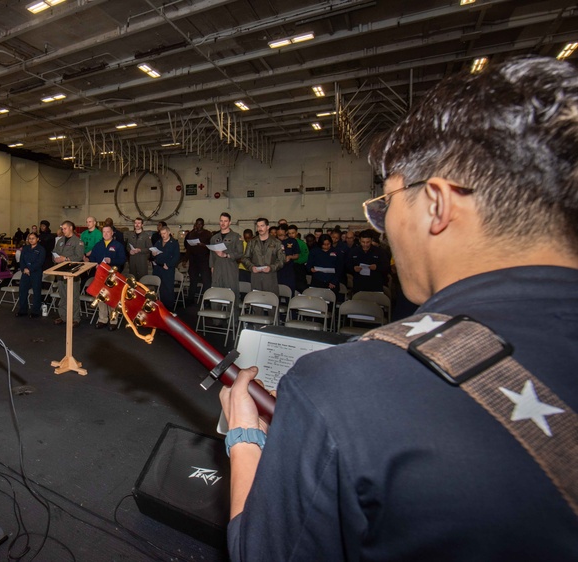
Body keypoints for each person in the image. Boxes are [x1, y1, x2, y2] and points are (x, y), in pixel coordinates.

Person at [221, 56, 578, 561]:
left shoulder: (347, 385)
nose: (382, 228)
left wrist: (244, 438)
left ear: (438, 203)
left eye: (387, 204)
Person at [89, 225, 126, 329]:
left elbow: (123, 260)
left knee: (112, 298)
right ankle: (102, 319)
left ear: (112, 233)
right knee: (101, 297)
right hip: (100, 275)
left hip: (113, 276)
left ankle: (113, 321)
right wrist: (94, 263)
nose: (105, 234)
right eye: (104, 232)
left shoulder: (118, 245)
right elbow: (92, 257)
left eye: (108, 232)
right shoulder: (98, 245)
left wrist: (112, 261)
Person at [51, 220, 85, 326]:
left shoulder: (78, 241)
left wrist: (65, 259)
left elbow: (79, 256)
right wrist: (55, 259)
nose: (63, 230)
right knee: (63, 295)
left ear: (70, 228)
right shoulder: (60, 240)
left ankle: (75, 318)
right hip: (61, 271)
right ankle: (63, 316)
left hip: (72, 272)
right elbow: (55, 253)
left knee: (73, 296)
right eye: (62, 228)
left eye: (65, 228)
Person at [241, 218, 285, 294]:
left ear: (267, 227)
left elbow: (281, 260)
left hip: (270, 276)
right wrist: (251, 267)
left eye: (262, 226)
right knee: (256, 300)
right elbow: (245, 258)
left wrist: (271, 267)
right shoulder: (252, 242)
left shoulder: (277, 242)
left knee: (270, 301)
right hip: (256, 277)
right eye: (258, 226)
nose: (260, 228)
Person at [210, 213, 244, 305]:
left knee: (232, 295)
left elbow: (240, 253)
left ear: (230, 222)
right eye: (221, 221)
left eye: (225, 221)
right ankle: (216, 319)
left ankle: (233, 319)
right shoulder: (214, 238)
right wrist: (212, 267)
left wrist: (226, 255)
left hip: (230, 269)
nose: (223, 223)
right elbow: (211, 255)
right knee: (216, 296)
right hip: (217, 269)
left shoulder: (236, 237)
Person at [347, 229, 387, 293]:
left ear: (371, 241)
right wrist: (353, 268)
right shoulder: (354, 252)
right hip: (359, 284)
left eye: (368, 242)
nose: (365, 244)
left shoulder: (379, 252)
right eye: (363, 242)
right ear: (359, 240)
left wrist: (377, 267)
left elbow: (386, 266)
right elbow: (348, 265)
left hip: (375, 284)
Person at [16, 231, 45, 318]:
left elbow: (40, 262)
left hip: (36, 273)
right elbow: (22, 260)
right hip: (25, 273)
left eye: (33, 238)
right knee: (22, 291)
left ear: (37, 239)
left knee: (36, 292)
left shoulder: (41, 249)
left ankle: (35, 311)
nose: (31, 240)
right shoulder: (25, 248)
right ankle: (23, 310)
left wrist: (30, 269)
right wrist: (23, 268)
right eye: (29, 239)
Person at [152, 225, 180, 311]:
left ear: (169, 233)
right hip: (158, 268)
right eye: (161, 234)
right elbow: (153, 253)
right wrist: (153, 254)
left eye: (164, 233)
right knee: (158, 288)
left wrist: (169, 265)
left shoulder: (174, 243)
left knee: (168, 289)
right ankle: (159, 306)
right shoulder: (158, 242)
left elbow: (176, 257)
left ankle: (169, 308)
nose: (163, 235)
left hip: (167, 268)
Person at [184, 218, 212, 300]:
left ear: (203, 224)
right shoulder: (192, 234)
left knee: (206, 281)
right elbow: (188, 248)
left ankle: (207, 300)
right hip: (193, 260)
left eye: (200, 224)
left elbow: (211, 246)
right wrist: (185, 259)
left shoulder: (207, 234)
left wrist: (204, 245)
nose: (198, 225)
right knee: (193, 280)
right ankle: (190, 299)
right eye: (197, 224)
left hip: (204, 260)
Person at [276, 225, 299, 295]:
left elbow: (297, 255)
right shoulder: (275, 241)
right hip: (277, 269)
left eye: (282, 235)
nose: (280, 237)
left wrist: (290, 257)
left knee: (289, 289)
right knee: (277, 290)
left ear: (286, 232)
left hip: (288, 269)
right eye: (278, 235)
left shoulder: (293, 241)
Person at [288, 224, 309, 292]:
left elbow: (306, 257)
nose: (291, 235)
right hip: (289, 267)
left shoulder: (302, 244)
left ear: (296, 233)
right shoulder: (285, 243)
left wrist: (295, 260)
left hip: (299, 268)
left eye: (293, 233)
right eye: (289, 233)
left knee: (301, 287)